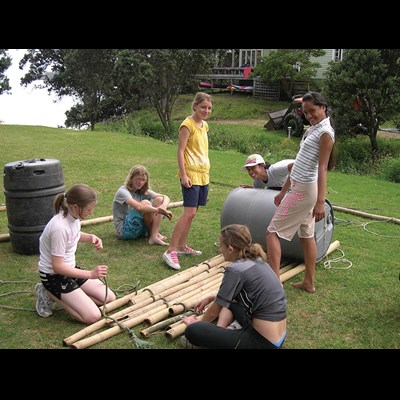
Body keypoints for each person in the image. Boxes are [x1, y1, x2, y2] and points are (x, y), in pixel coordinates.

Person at [266, 92, 335, 292]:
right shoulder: (314, 128)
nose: (309, 115)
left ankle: (274, 283)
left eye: (312, 111)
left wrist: (321, 202)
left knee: (272, 232)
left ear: (323, 107)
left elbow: (322, 168)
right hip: (299, 187)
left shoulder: (325, 133)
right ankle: (309, 283)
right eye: (306, 113)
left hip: (305, 191)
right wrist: (283, 191)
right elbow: (299, 164)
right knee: (306, 236)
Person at [181, 224, 286, 349]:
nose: (220, 250)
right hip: (278, 337)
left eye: (221, 246)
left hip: (263, 343)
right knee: (232, 302)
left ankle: (221, 335)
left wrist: (197, 324)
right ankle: (224, 331)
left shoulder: (235, 270)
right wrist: (212, 298)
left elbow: (214, 311)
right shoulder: (257, 259)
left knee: (192, 331)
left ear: (230, 249)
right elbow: (230, 298)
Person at [35, 183, 116, 324]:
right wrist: (90, 274)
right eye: (89, 209)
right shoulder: (59, 227)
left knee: (109, 298)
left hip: (69, 269)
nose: (91, 212)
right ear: (75, 207)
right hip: (54, 276)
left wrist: (90, 237)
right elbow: (57, 267)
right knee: (92, 316)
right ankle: (48, 292)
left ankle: (73, 296)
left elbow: (73, 235)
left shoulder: (73, 217)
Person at [162, 92, 213, 270]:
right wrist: (184, 175)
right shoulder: (187, 125)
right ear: (195, 106)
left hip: (203, 175)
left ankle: (182, 246)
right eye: (203, 107)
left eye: (209, 108)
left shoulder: (205, 126)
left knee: (193, 213)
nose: (206, 110)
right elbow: (180, 151)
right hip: (190, 174)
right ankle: (171, 250)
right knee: (188, 213)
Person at [112, 164, 172, 245]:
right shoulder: (122, 191)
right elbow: (139, 207)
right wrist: (159, 210)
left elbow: (165, 197)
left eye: (143, 180)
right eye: (138, 179)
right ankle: (152, 234)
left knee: (159, 200)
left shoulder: (143, 190)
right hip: (125, 230)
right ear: (131, 178)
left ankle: (154, 235)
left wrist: (163, 207)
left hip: (139, 227)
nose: (140, 182)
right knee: (146, 204)